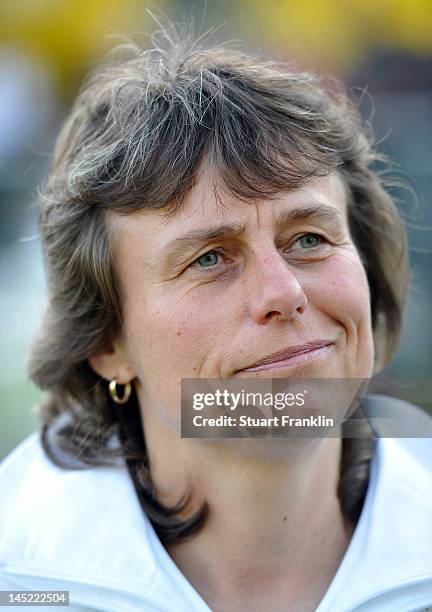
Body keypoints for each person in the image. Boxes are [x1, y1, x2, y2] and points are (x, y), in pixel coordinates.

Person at [1, 22, 431, 612]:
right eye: (210, 258)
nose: (283, 293)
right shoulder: (21, 581)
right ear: (106, 342)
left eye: (308, 238)